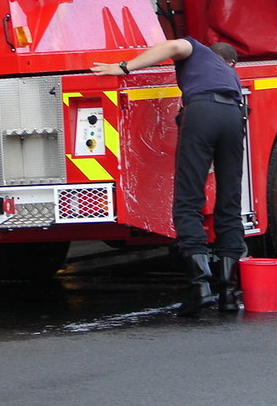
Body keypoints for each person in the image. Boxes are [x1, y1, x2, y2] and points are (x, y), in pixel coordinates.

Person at [92, 38, 246, 315]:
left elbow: (174, 47)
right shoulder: (230, 74)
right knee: (230, 199)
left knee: (188, 199)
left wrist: (124, 67)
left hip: (202, 112)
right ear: (231, 62)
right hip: (234, 116)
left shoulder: (197, 49)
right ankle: (229, 293)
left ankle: (200, 287)